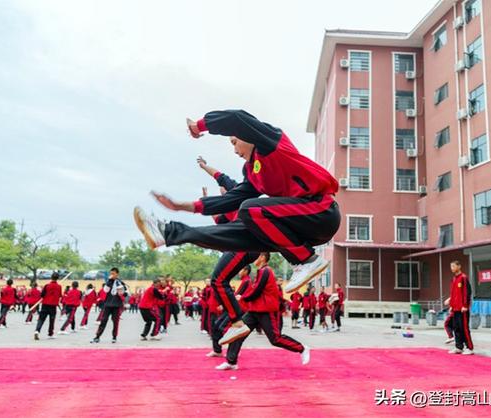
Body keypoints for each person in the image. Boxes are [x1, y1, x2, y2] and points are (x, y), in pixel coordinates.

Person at [133, 109, 341, 344]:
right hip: (294, 226)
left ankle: (306, 260)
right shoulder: (252, 171)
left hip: (321, 211)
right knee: (237, 228)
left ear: (247, 136)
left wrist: (199, 126)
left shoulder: (271, 142)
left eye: (234, 142)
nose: (234, 150)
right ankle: (167, 232)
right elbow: (229, 199)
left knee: (250, 210)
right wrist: (182, 206)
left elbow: (236, 119)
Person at [216, 253, 310, 370]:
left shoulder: (266, 271)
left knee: (275, 339)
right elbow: (255, 290)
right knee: (238, 333)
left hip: (266, 310)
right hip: (255, 310)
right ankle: (231, 362)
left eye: (256, 256)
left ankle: (302, 348)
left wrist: (243, 297)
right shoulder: (260, 272)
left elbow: (257, 290)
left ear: (262, 257)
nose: (253, 259)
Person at [91, 268, 128, 344]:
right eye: (111, 273)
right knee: (103, 321)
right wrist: (110, 281)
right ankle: (97, 337)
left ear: (117, 274)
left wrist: (123, 293)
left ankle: (114, 337)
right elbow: (106, 290)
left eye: (113, 273)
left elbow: (126, 292)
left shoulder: (120, 282)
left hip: (116, 305)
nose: (112, 275)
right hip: (108, 304)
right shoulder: (108, 282)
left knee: (115, 322)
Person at [446, 261, 473, 355]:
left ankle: (469, 347)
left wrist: (465, 306)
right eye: (451, 266)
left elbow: (467, 292)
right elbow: (453, 294)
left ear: (459, 266)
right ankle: (459, 347)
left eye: (453, 266)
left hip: (462, 308)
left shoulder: (463, 278)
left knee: (464, 328)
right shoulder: (454, 279)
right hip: (455, 308)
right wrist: (451, 306)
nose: (452, 268)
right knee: (456, 328)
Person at [34, 273, 62, 340]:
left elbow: (42, 295)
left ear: (51, 277)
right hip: (53, 306)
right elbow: (60, 295)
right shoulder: (59, 286)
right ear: (57, 278)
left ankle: (37, 330)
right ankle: (50, 334)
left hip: (45, 305)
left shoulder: (47, 286)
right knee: (52, 320)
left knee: (41, 319)